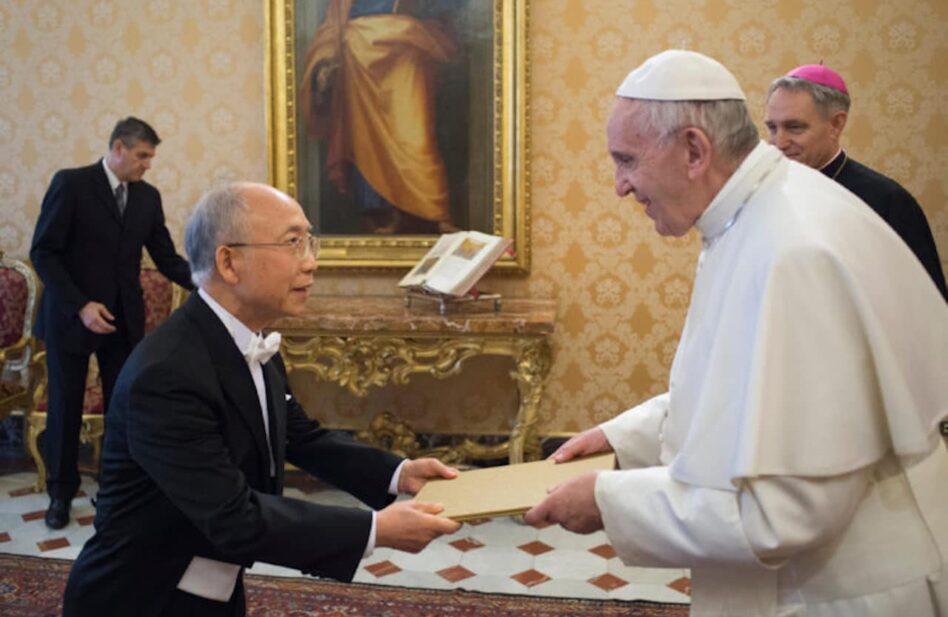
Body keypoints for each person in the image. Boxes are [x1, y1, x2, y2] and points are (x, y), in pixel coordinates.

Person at [524, 50, 947, 616]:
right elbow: (745, 384)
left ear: (695, 150)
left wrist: (609, 501)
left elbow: (784, 513)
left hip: (837, 594)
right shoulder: (755, 213)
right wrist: (624, 438)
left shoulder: (793, 249)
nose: (620, 187)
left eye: (627, 160)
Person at [62, 182, 461, 616]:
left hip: (211, 588)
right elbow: (234, 517)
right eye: (293, 243)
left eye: (310, 242)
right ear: (229, 262)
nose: (311, 262)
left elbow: (300, 437)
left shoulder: (250, 338)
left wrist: (398, 474)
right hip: (140, 597)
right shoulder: (165, 374)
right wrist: (373, 530)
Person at [30, 117, 194, 529]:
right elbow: (44, 253)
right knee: (65, 407)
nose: (147, 165)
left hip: (123, 321)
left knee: (124, 407)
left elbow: (166, 258)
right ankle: (60, 494)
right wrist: (81, 304)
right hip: (71, 316)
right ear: (118, 148)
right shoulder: (70, 184)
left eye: (150, 157)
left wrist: (213, 284)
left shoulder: (147, 198)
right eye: (142, 156)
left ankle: (115, 490)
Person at [764, 63, 947, 300]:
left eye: (795, 128)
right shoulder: (765, 193)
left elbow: (925, 301)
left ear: (836, 124)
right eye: (772, 127)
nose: (779, 142)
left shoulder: (887, 201)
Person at [299, 0, 460, 234]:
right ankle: (382, 216)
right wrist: (324, 63)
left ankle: (432, 212)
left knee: (414, 137)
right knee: (367, 140)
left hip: (406, 51)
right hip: (359, 55)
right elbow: (333, 25)